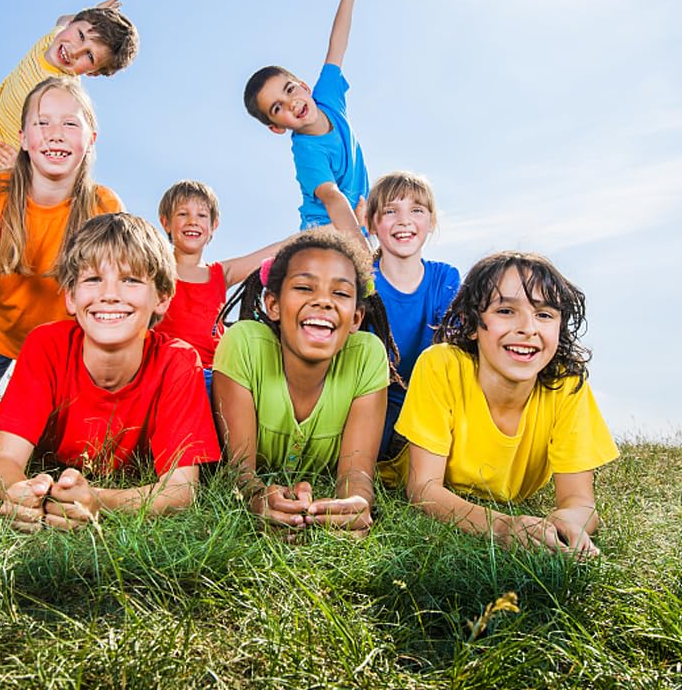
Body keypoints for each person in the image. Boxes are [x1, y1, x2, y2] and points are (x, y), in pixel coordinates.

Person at [0, 213, 220, 531]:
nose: (109, 294)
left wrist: (97, 499)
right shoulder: (46, 344)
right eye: (93, 279)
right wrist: (21, 494)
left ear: (163, 298)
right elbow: (2, 460)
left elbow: (181, 489)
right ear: (70, 296)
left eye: (131, 280)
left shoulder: (177, 361)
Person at [387, 251, 619, 556]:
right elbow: (423, 489)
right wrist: (502, 526)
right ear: (472, 324)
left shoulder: (567, 385)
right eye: (506, 311)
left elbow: (580, 502)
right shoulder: (441, 364)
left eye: (545, 315)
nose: (528, 328)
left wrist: (563, 526)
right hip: (401, 473)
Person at [212, 229, 397, 533]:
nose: (323, 301)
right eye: (303, 287)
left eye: (340, 293)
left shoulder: (367, 356)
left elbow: (357, 476)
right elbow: (239, 471)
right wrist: (257, 497)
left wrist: (355, 503)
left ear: (356, 318)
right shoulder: (243, 344)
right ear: (273, 304)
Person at [0, 76, 121, 399]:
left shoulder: (104, 206)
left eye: (71, 124)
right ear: (23, 137)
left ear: (91, 140)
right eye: (42, 122)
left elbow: (118, 282)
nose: (55, 134)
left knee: (57, 433)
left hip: (65, 342)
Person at [242, 0, 368, 235]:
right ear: (276, 127)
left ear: (304, 86)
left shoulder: (328, 98)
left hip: (357, 226)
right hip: (323, 234)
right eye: (278, 108)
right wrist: (362, 247)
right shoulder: (307, 151)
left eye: (289, 91)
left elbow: (338, 43)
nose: (291, 103)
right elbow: (332, 197)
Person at [0, 0, 138, 185]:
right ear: (73, 23)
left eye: (89, 55)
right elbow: (62, 20)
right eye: (80, 35)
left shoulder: (62, 94)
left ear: (93, 73)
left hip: (5, 184)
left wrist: (20, 168)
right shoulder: (52, 40)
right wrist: (94, 12)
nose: (74, 50)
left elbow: (55, 145)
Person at [154, 179, 292, 387]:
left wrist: (335, 227)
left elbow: (276, 251)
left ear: (213, 226)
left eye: (201, 215)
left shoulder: (221, 273)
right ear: (165, 222)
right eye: (183, 214)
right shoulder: (155, 269)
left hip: (212, 375)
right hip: (167, 373)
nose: (193, 221)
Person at [364, 172, 460, 457]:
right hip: (376, 401)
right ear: (371, 224)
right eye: (390, 211)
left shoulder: (445, 277)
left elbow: (453, 347)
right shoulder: (364, 281)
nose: (404, 220)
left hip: (430, 400)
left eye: (416, 210)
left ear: (430, 222)